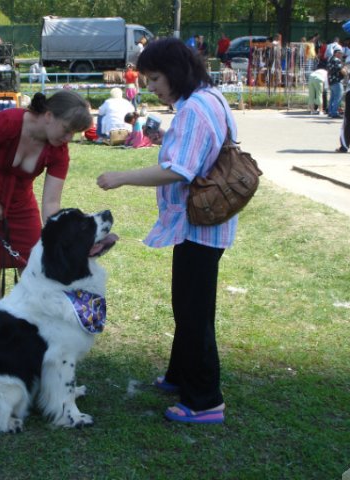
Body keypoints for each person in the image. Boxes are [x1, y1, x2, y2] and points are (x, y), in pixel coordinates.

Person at [96, 37, 236, 425]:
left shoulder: (194, 110)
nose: (150, 86)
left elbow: (180, 170)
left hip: (199, 226)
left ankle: (205, 400)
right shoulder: (211, 98)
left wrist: (121, 177)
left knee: (194, 313)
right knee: (189, 305)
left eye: (154, 78)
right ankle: (180, 375)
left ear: (176, 73)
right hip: (204, 223)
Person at [0, 90, 92, 314]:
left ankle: (27, 329)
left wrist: (62, 238)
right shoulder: (6, 123)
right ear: (48, 115)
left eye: (74, 134)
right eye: (67, 130)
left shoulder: (59, 151)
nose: (68, 139)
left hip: (20, 205)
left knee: (32, 269)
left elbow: (51, 203)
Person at [327, 46, 346, 118]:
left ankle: (330, 111)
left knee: (332, 97)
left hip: (331, 81)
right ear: (335, 53)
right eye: (339, 53)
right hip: (337, 81)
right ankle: (334, 112)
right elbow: (342, 70)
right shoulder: (337, 60)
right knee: (338, 97)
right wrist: (346, 71)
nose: (341, 54)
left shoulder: (330, 59)